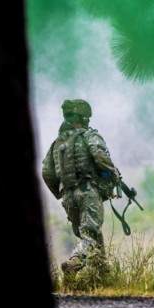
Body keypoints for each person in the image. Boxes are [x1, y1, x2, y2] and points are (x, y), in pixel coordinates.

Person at [41, 99, 120, 277]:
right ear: (83, 118)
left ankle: (104, 277)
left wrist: (62, 192)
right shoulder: (89, 136)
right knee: (90, 235)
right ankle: (74, 263)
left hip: (68, 197)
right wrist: (113, 176)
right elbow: (100, 157)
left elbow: (46, 172)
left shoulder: (57, 144)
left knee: (90, 237)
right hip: (87, 192)